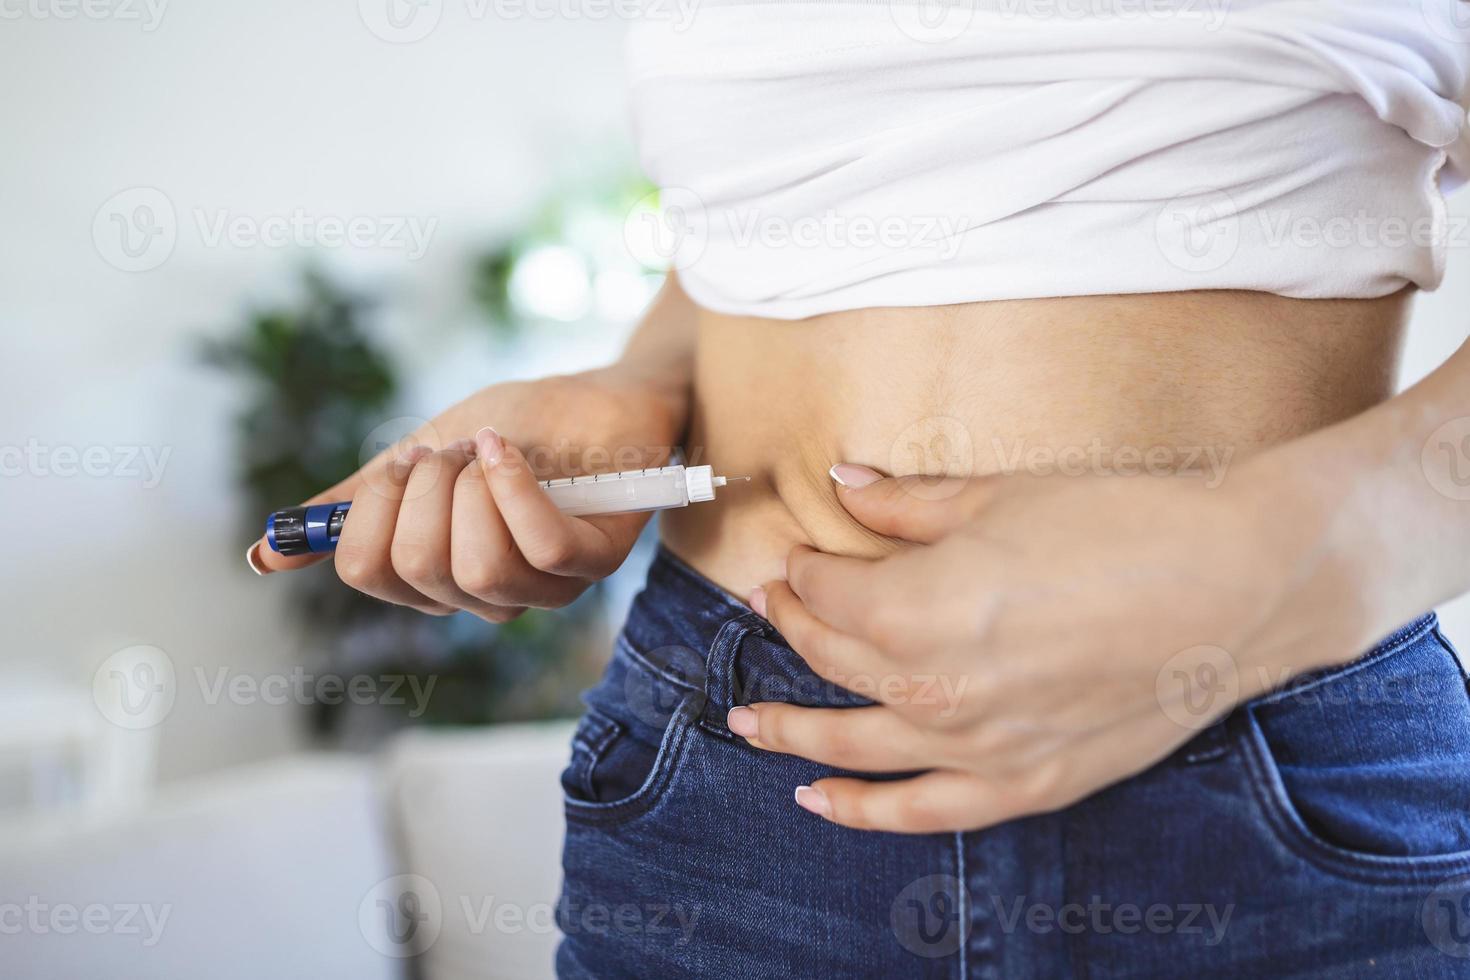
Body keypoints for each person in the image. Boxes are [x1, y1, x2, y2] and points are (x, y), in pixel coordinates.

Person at [250, 2, 1470, 975]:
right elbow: (796, 208)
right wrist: (640, 379)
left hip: (1262, 763)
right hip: (728, 777)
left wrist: (1271, 560)